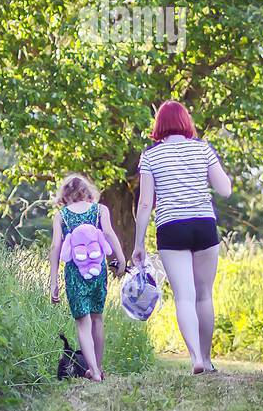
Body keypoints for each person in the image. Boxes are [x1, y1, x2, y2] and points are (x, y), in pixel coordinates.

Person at [132, 100, 232, 374]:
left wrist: (139, 244)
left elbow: (144, 204)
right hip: (203, 224)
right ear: (186, 122)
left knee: (184, 297)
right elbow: (225, 190)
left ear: (159, 126)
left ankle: (196, 358)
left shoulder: (151, 157)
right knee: (204, 296)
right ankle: (208, 359)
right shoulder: (203, 149)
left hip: (171, 227)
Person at [49, 173, 125, 381]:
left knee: (83, 322)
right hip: (98, 272)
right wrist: (121, 257)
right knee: (97, 318)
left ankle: (94, 371)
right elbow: (109, 233)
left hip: (75, 273)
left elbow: (56, 246)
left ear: (64, 196)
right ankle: (97, 367)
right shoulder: (100, 210)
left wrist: (53, 280)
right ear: (87, 192)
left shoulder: (61, 216)